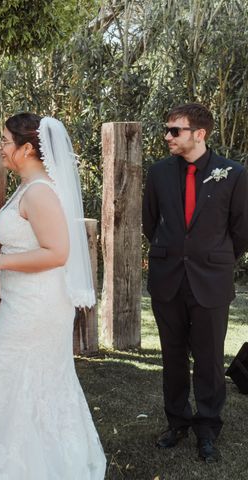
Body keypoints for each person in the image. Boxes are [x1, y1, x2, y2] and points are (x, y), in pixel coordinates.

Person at [0, 114, 106, 479]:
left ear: (26, 149)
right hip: (24, 301)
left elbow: (57, 253)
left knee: (19, 382)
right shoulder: (27, 186)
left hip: (37, 308)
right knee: (21, 384)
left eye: (5, 141)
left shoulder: (39, 192)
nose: (0, 148)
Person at [142, 103, 248, 463]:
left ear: (199, 134)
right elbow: (150, 223)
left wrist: (214, 258)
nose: (167, 136)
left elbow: (241, 230)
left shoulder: (233, 173)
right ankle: (176, 422)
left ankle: (207, 430)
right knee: (171, 356)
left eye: (175, 130)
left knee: (209, 359)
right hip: (167, 278)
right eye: (167, 129)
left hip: (211, 280)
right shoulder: (157, 174)